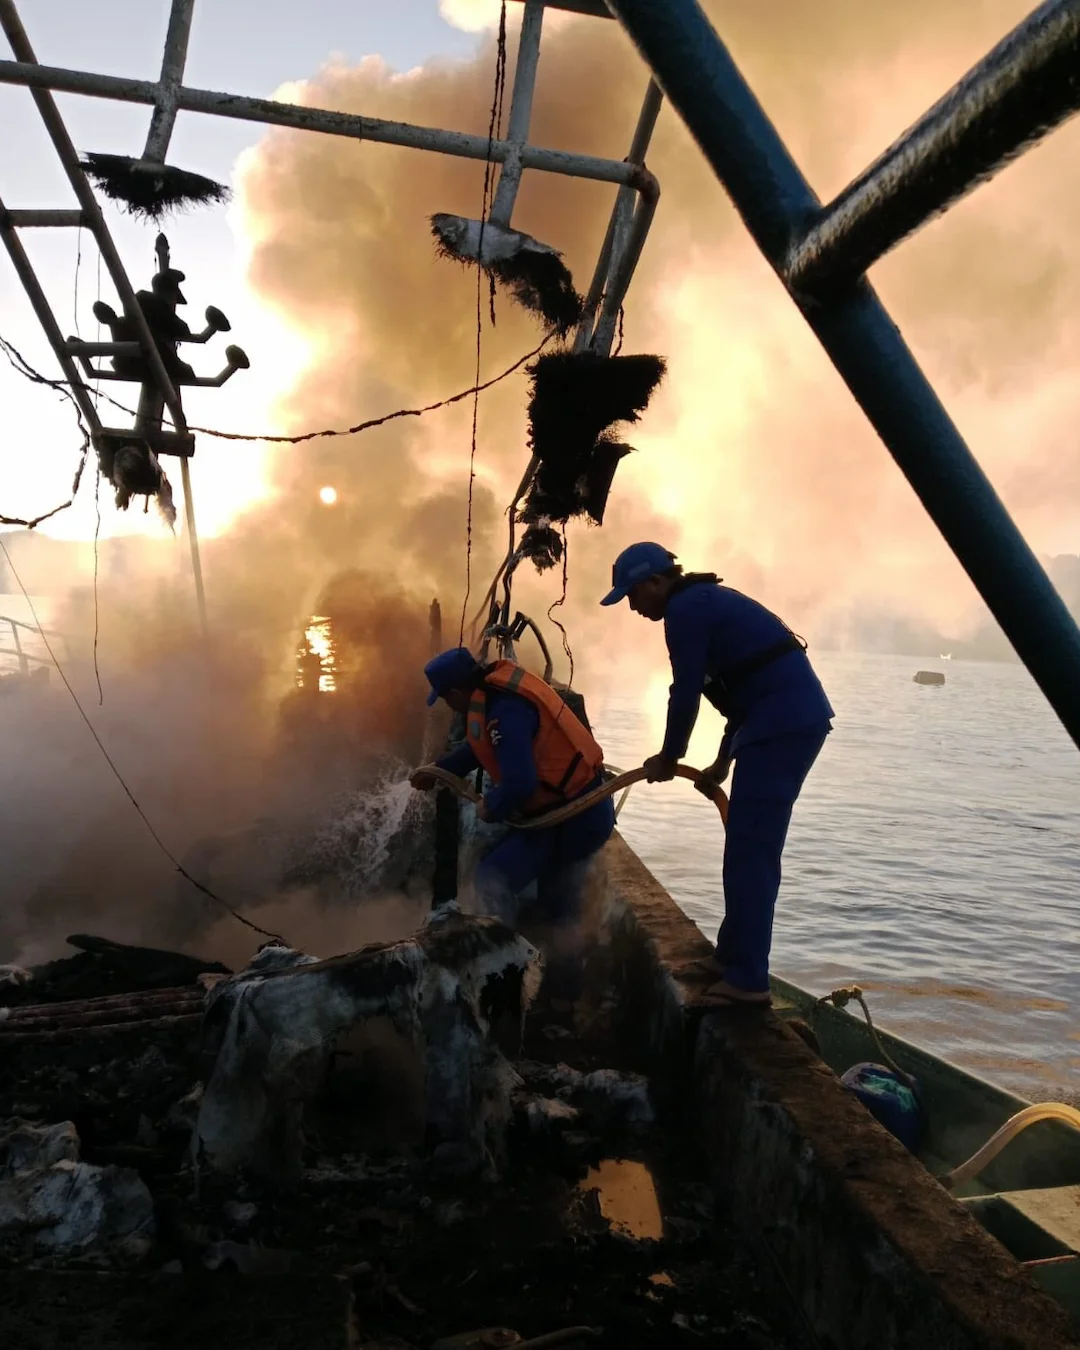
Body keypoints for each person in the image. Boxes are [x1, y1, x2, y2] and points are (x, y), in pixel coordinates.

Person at [600, 542, 833, 1006]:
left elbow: (684, 693)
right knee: (744, 847)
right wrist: (721, 764)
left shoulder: (685, 611)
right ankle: (732, 957)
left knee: (752, 852)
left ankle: (748, 981)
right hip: (774, 723)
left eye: (632, 594)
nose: (631, 605)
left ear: (655, 582)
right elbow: (736, 696)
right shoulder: (703, 603)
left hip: (782, 728)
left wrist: (668, 757)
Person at [411, 647, 615, 1003]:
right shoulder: (488, 697)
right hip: (553, 812)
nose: (447, 705)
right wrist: (442, 770)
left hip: (577, 815)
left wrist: (494, 807)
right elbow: (480, 749)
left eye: (445, 698)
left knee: (503, 882)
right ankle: (537, 987)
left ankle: (509, 984)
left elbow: (520, 783)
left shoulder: (505, 711)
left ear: (456, 692)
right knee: (542, 894)